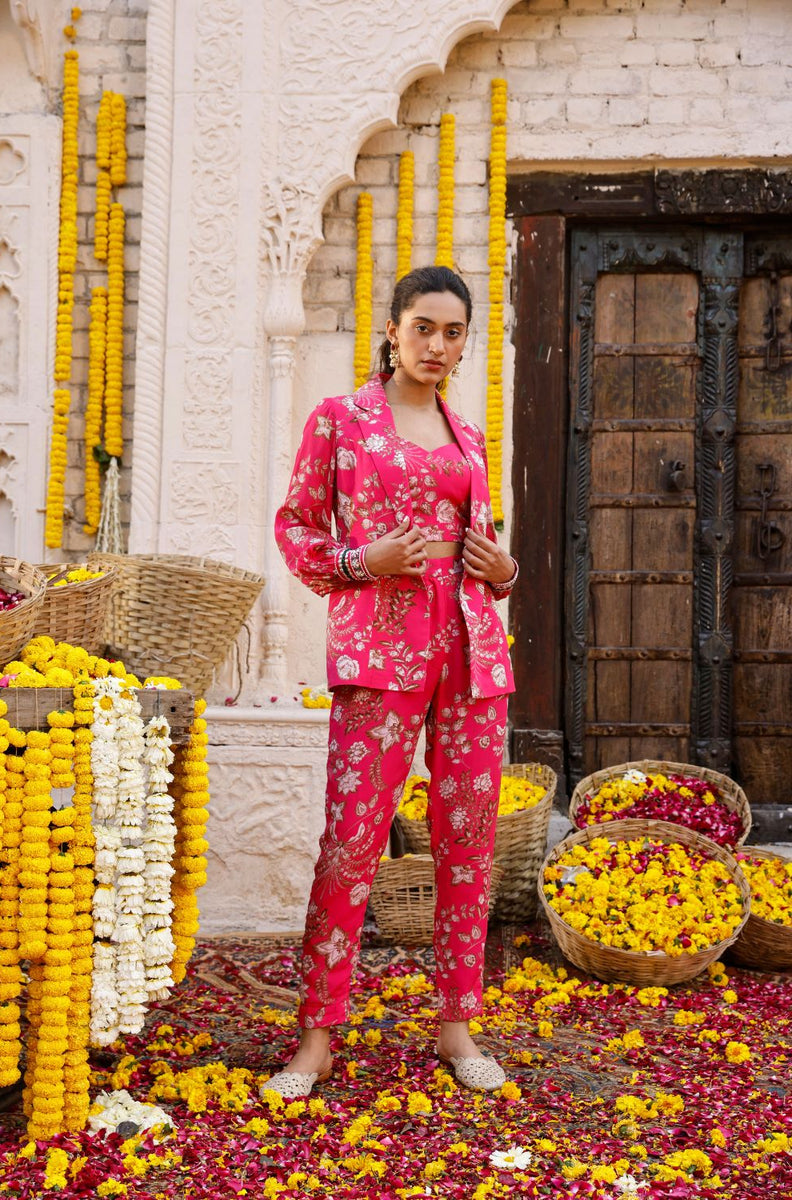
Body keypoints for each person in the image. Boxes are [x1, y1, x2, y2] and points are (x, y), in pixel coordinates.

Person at [265, 265, 518, 1098]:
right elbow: (295, 526)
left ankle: (455, 1025)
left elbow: (483, 547)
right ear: (392, 328)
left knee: (469, 840)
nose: (438, 346)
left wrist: (506, 571)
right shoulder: (341, 422)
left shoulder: (470, 436)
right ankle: (318, 1036)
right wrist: (356, 563)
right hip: (381, 651)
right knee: (352, 846)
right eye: (423, 328)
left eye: (452, 333)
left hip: (472, 657)